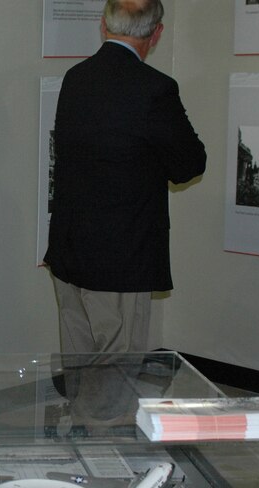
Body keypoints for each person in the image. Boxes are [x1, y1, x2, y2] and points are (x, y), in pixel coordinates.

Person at [43, 0, 206, 353]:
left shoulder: (75, 78)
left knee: (79, 365)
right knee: (117, 372)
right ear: (156, 33)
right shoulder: (155, 88)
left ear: (104, 25)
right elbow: (189, 164)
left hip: (69, 248)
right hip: (121, 257)